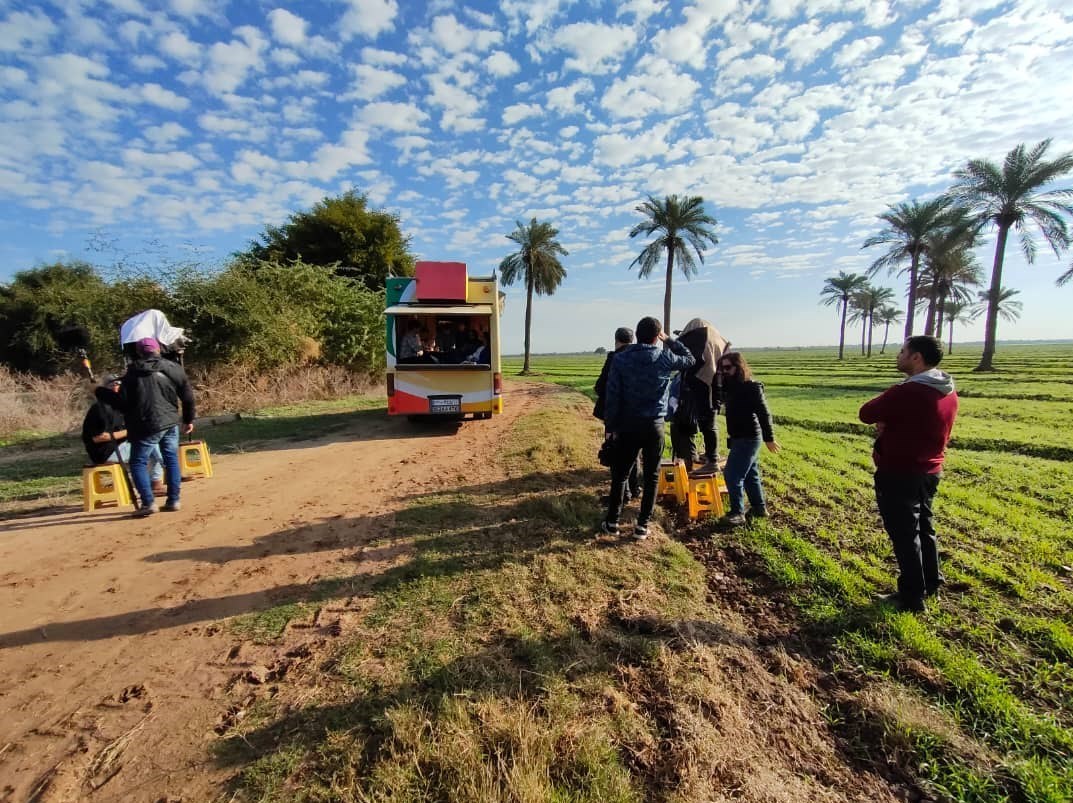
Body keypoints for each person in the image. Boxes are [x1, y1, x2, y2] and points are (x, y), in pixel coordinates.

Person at [859, 335, 959, 613]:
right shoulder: (947, 389)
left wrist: (886, 421)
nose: (898, 355)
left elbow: (866, 412)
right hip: (931, 470)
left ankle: (911, 597)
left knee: (904, 536)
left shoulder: (908, 391)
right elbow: (921, 422)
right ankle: (931, 584)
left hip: (900, 471)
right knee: (925, 528)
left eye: (903, 351)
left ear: (916, 357)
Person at [602, 316, 695, 539]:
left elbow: (612, 396)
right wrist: (670, 340)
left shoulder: (621, 359)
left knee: (621, 475)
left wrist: (610, 426)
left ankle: (612, 522)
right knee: (652, 476)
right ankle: (642, 526)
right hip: (654, 425)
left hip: (627, 425)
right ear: (656, 337)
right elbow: (690, 359)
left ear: (637, 333)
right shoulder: (664, 357)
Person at [121, 337, 196, 516]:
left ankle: (148, 503)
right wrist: (188, 420)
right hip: (170, 422)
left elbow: (123, 403)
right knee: (170, 458)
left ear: (138, 352)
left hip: (147, 424)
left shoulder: (132, 372)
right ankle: (174, 500)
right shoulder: (174, 368)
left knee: (138, 461)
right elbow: (187, 397)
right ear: (158, 350)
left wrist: (100, 392)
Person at [718, 351, 780, 526]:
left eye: (728, 368)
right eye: (722, 368)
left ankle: (737, 513)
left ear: (739, 367)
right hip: (738, 437)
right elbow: (718, 398)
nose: (724, 371)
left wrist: (769, 438)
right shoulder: (730, 387)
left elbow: (764, 413)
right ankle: (759, 508)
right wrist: (719, 380)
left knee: (732, 474)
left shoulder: (752, 387)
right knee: (751, 474)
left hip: (749, 437)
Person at [81, 374, 164, 494]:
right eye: (112, 384)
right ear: (104, 390)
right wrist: (130, 431)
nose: (116, 387)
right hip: (105, 452)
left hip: (120, 446)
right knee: (150, 446)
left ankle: (153, 481)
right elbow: (98, 438)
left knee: (151, 441)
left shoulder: (121, 406)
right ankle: (157, 482)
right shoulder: (100, 409)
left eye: (119, 384)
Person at [676, 318, 730, 470]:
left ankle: (712, 459)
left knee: (707, 423)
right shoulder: (717, 338)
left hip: (703, 382)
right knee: (709, 421)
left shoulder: (698, 336)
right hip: (715, 383)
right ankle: (711, 454)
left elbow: (689, 360)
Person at [593, 327, 639, 504]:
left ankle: (623, 494)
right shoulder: (640, 357)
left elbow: (600, 386)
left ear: (616, 340)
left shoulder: (615, 357)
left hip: (617, 414)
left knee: (617, 453)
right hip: (638, 414)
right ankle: (635, 488)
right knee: (634, 452)